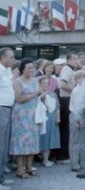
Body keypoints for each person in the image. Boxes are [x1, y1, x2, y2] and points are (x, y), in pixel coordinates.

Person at [10, 58, 41, 179]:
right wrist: (34, 94)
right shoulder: (17, 82)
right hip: (20, 116)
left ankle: (29, 167)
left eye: (33, 68)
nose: (31, 70)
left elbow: (39, 94)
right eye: (29, 68)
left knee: (32, 141)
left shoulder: (35, 80)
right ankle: (19, 169)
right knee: (20, 141)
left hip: (33, 115)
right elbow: (19, 99)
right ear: (22, 69)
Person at [57, 51, 78, 163]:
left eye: (77, 58)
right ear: (69, 60)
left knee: (67, 129)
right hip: (66, 100)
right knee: (65, 129)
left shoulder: (71, 70)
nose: (76, 61)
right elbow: (62, 84)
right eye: (74, 58)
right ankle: (63, 156)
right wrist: (75, 90)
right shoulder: (67, 69)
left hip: (68, 100)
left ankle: (64, 154)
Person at [0, 47, 15, 189]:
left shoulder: (8, 71)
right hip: (1, 108)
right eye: (10, 57)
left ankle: (1, 177)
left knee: (4, 146)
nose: (13, 60)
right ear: (3, 57)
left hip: (7, 109)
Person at [39, 77, 61, 167]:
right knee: (44, 138)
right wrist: (42, 93)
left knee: (50, 138)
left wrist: (58, 117)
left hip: (53, 118)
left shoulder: (53, 94)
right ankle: (43, 158)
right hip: (43, 118)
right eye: (44, 83)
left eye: (48, 83)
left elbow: (58, 107)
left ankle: (46, 159)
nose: (46, 85)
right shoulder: (39, 94)